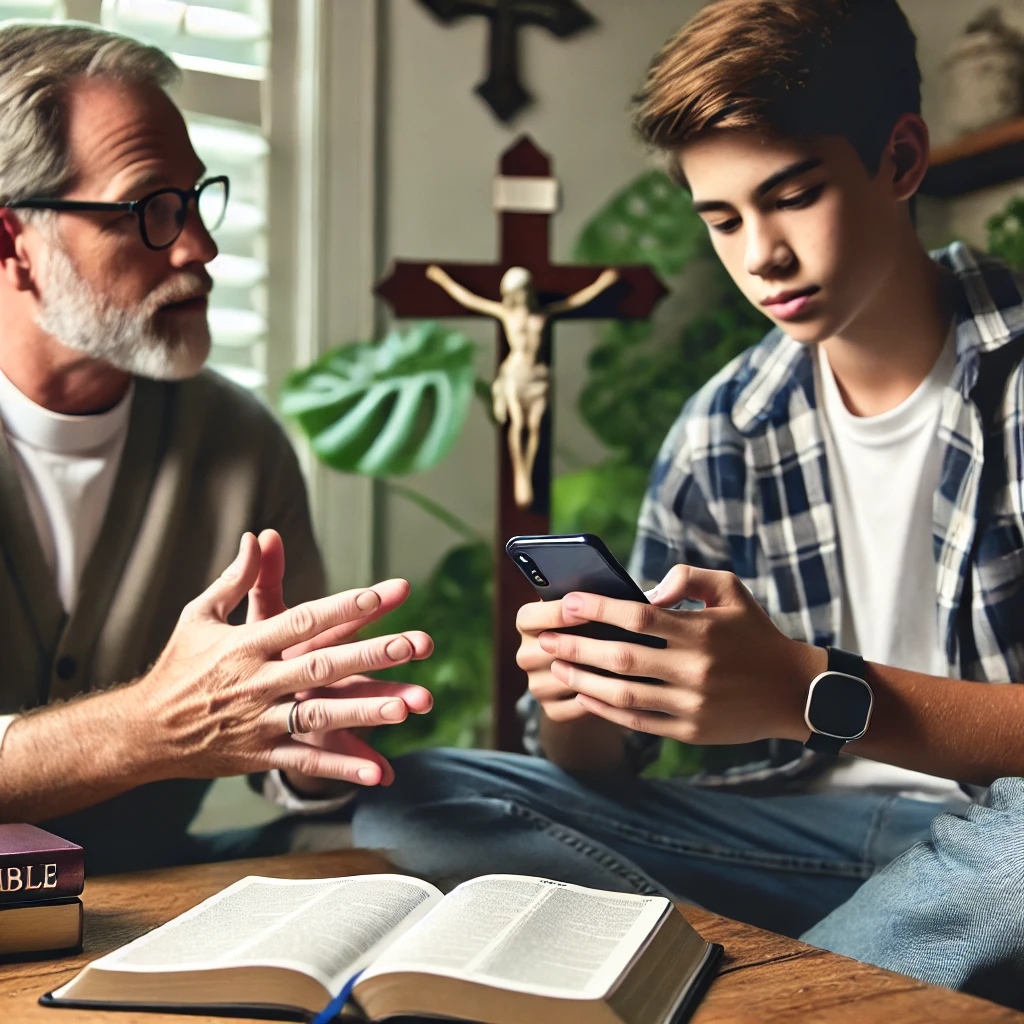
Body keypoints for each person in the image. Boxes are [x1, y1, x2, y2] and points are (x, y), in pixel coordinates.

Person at [353, 0, 1024, 1006]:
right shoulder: (725, 427)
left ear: (899, 159)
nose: (760, 255)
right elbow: (603, 766)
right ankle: (874, 963)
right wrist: (590, 689)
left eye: (792, 197)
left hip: (998, 837)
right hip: (788, 835)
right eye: (721, 219)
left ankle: (750, 993)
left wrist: (805, 687)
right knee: (423, 798)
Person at [0, 22, 433, 874]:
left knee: (449, 814)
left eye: (196, 200)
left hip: (155, 891)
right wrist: (146, 728)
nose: (200, 247)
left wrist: (315, 731)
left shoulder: (237, 441)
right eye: (151, 209)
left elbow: (300, 769)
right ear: (13, 244)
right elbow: (161, 726)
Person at [425, 264, 619, 507]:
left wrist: (602, 283)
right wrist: (442, 278)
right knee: (517, 424)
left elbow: (575, 302)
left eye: (528, 289)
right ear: (512, 294)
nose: (525, 295)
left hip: (537, 375)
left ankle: (527, 470)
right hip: (516, 374)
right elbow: (470, 300)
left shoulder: (544, 314)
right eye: (521, 290)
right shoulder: (505, 314)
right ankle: (521, 474)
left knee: (536, 425)